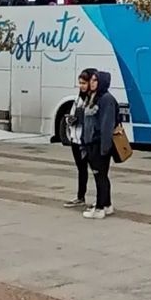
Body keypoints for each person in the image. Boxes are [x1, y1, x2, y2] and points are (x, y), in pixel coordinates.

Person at [82, 71, 118, 219]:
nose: (92, 83)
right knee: (101, 176)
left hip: (99, 144)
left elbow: (106, 125)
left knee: (100, 176)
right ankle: (107, 204)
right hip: (92, 142)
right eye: (92, 80)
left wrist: (104, 147)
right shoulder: (95, 97)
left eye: (96, 80)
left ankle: (100, 207)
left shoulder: (106, 99)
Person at [63, 68, 97, 208]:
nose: (81, 86)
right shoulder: (78, 98)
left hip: (87, 140)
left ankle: (101, 200)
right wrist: (70, 120)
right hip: (75, 138)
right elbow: (72, 113)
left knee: (96, 170)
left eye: (84, 83)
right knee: (81, 169)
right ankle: (80, 196)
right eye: (80, 83)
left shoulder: (94, 99)